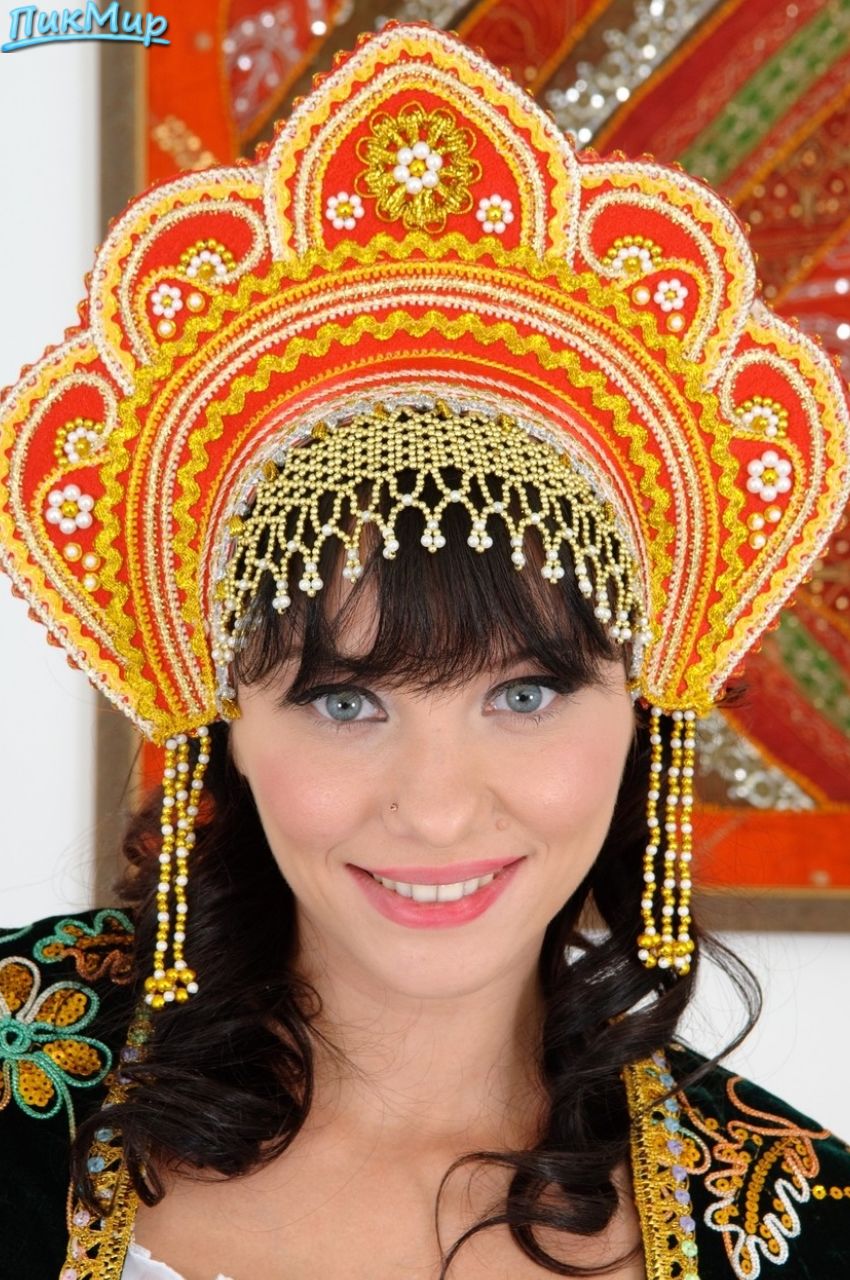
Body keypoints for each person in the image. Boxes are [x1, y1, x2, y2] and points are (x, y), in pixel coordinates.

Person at [1, 21, 849, 1280]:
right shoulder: (21, 1068)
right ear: (226, 720)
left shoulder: (796, 1225)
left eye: (525, 692)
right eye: (346, 702)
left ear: (642, 713)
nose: (438, 808)